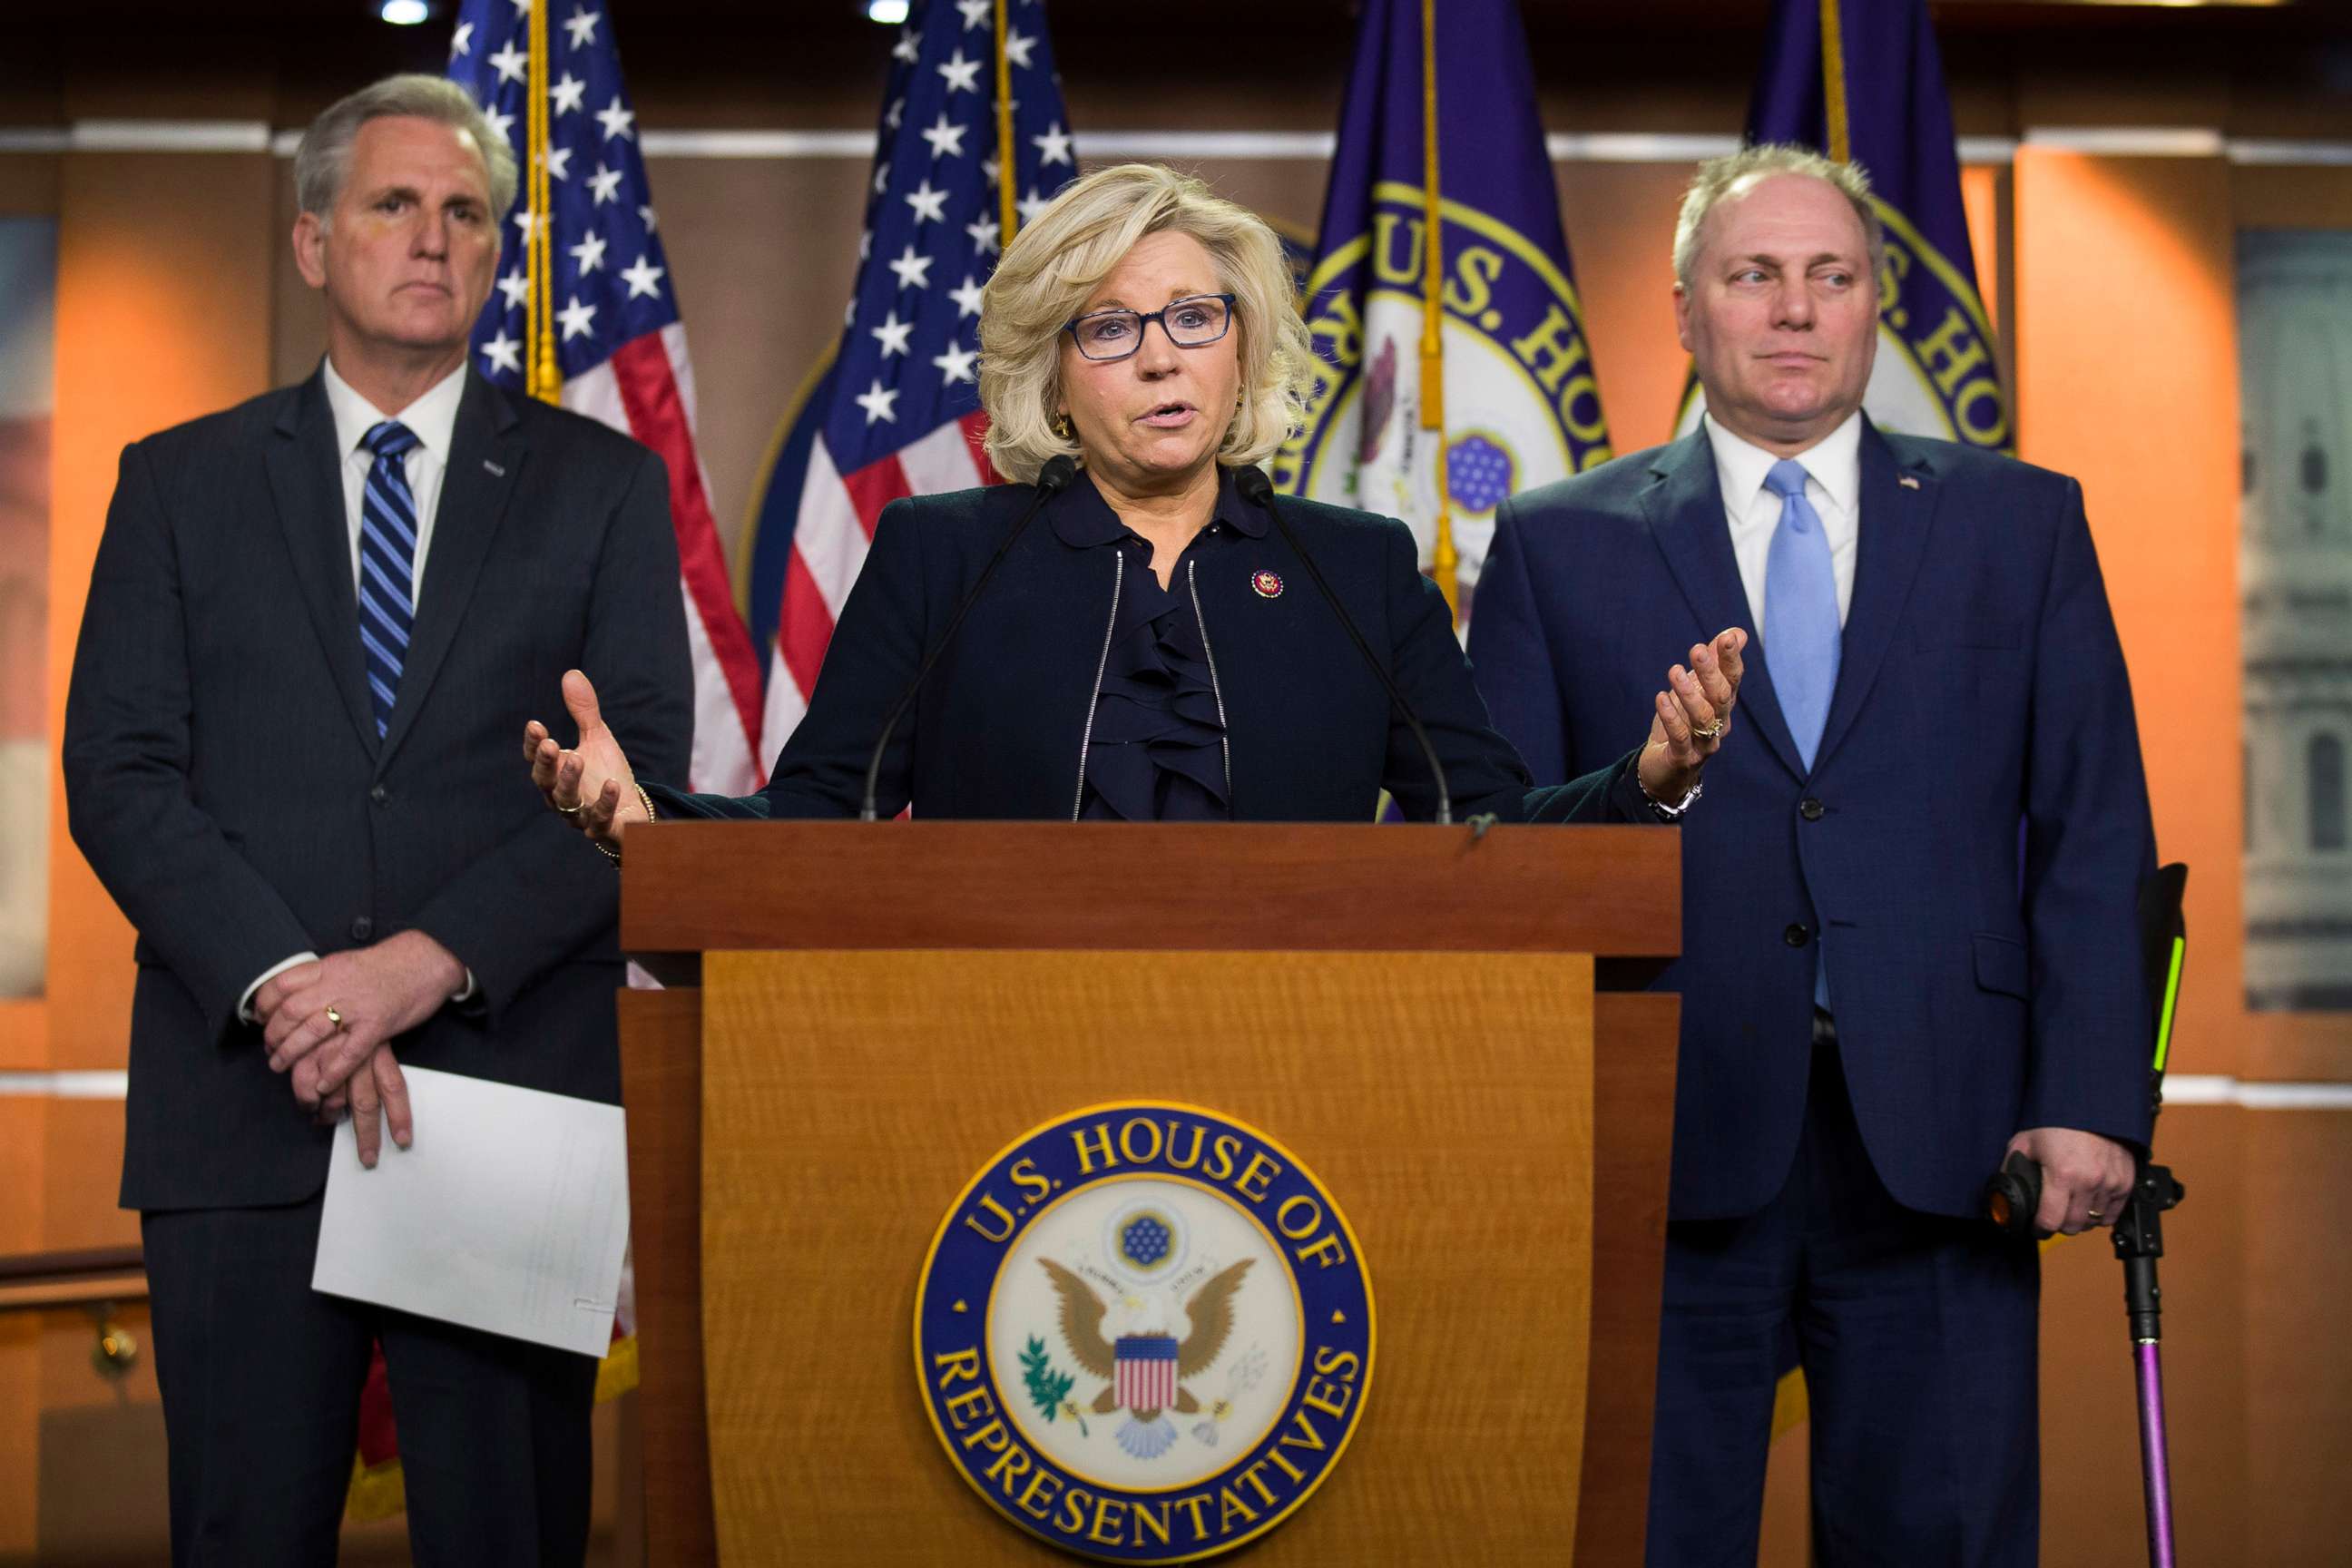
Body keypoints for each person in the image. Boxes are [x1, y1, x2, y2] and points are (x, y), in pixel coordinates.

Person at [1468, 144, 2157, 1564]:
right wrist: (1646, 789)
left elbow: (2095, 831)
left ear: (1873, 306)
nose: (1794, 308)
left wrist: (2095, 1099)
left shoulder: (2020, 524)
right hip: (1662, 1135)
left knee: (1943, 1538)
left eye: (1829, 277)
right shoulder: (1556, 543)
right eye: (1755, 275)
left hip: (1953, 1137)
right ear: (1684, 312)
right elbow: (1497, 852)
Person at [61, 74, 691, 1566]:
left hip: (506, 1097)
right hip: (245, 1110)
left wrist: (418, 965)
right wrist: (293, 989)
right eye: (395, 205)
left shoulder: (604, 487)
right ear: (312, 244)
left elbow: (637, 777)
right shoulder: (178, 485)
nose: (435, 238)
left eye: (468, 214)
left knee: (510, 1537)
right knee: (242, 1533)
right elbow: (122, 776)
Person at [527, 162, 1743, 845]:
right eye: (1109, 329)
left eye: (1193, 319)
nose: (1161, 358)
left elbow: (1485, 829)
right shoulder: (940, 554)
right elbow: (812, 820)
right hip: (998, 1056)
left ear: (1241, 348)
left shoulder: (1356, 567)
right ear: (1053, 377)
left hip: (1297, 1057)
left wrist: (1646, 777)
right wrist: (652, 819)